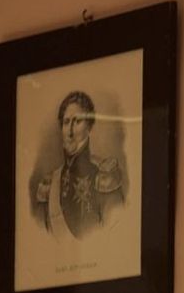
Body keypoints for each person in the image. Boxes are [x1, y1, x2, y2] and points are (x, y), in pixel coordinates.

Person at [29, 90, 127, 240]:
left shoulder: (105, 175)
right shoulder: (49, 183)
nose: (70, 131)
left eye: (77, 121)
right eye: (66, 122)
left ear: (89, 127)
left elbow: (117, 234)